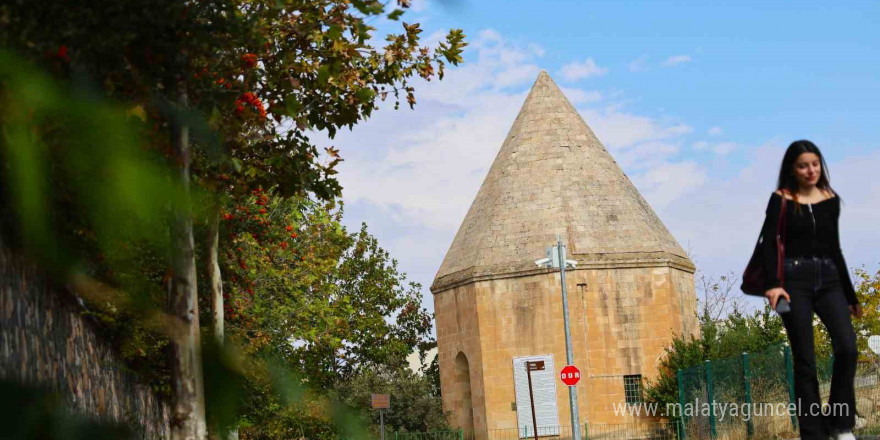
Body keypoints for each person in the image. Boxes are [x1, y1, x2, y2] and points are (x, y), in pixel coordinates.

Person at [761, 140, 863, 440]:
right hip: (793, 283)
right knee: (805, 358)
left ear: (821, 165)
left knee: (848, 347)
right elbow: (770, 243)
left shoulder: (830, 198)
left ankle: (840, 423)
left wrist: (850, 295)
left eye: (815, 164)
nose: (811, 170)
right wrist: (773, 285)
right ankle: (813, 433)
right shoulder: (780, 199)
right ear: (792, 169)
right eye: (803, 165)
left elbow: (835, 248)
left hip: (829, 279)